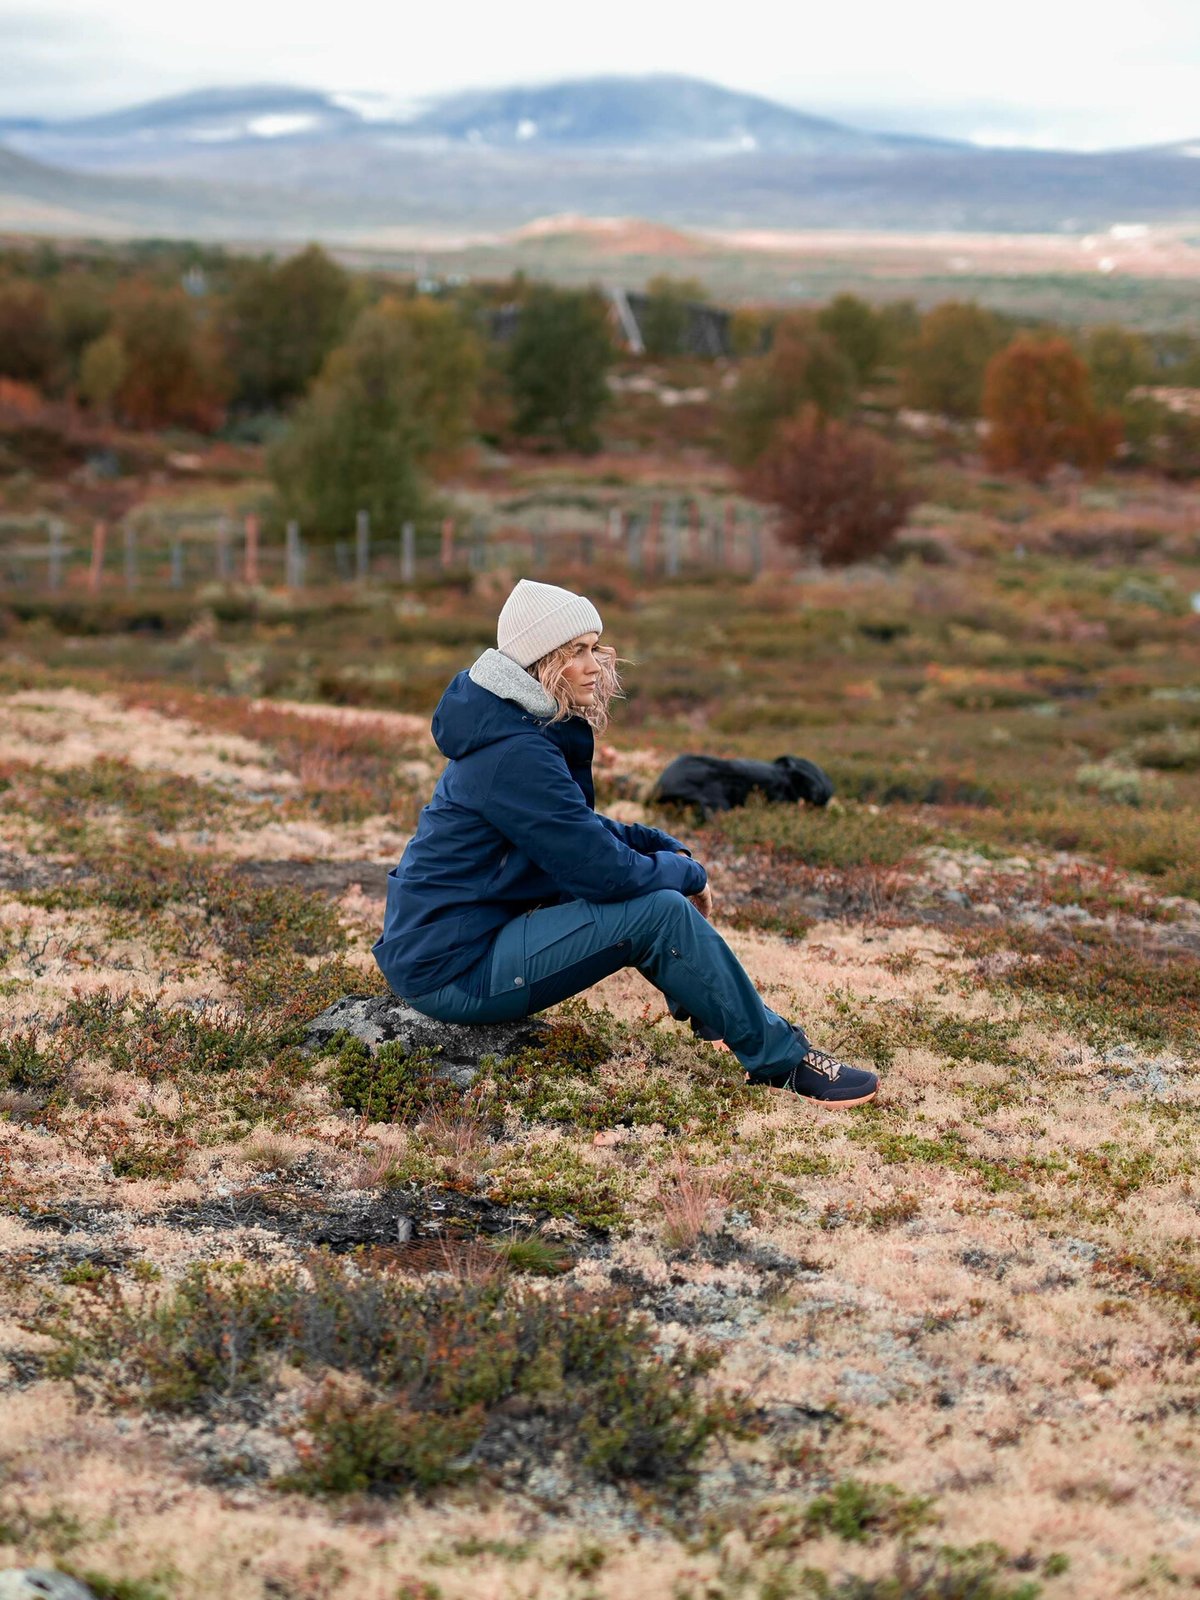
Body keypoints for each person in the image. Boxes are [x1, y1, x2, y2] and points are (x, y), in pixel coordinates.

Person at [373, 579, 878, 1106]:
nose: (595, 666)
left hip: (459, 943)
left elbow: (575, 829)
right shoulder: (513, 752)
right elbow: (602, 872)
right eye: (577, 652)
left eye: (596, 648)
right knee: (656, 912)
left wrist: (663, 846)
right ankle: (782, 1061)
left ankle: (721, 1011)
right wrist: (689, 874)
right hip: (453, 969)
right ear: (541, 662)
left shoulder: (514, 731)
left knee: (654, 901)